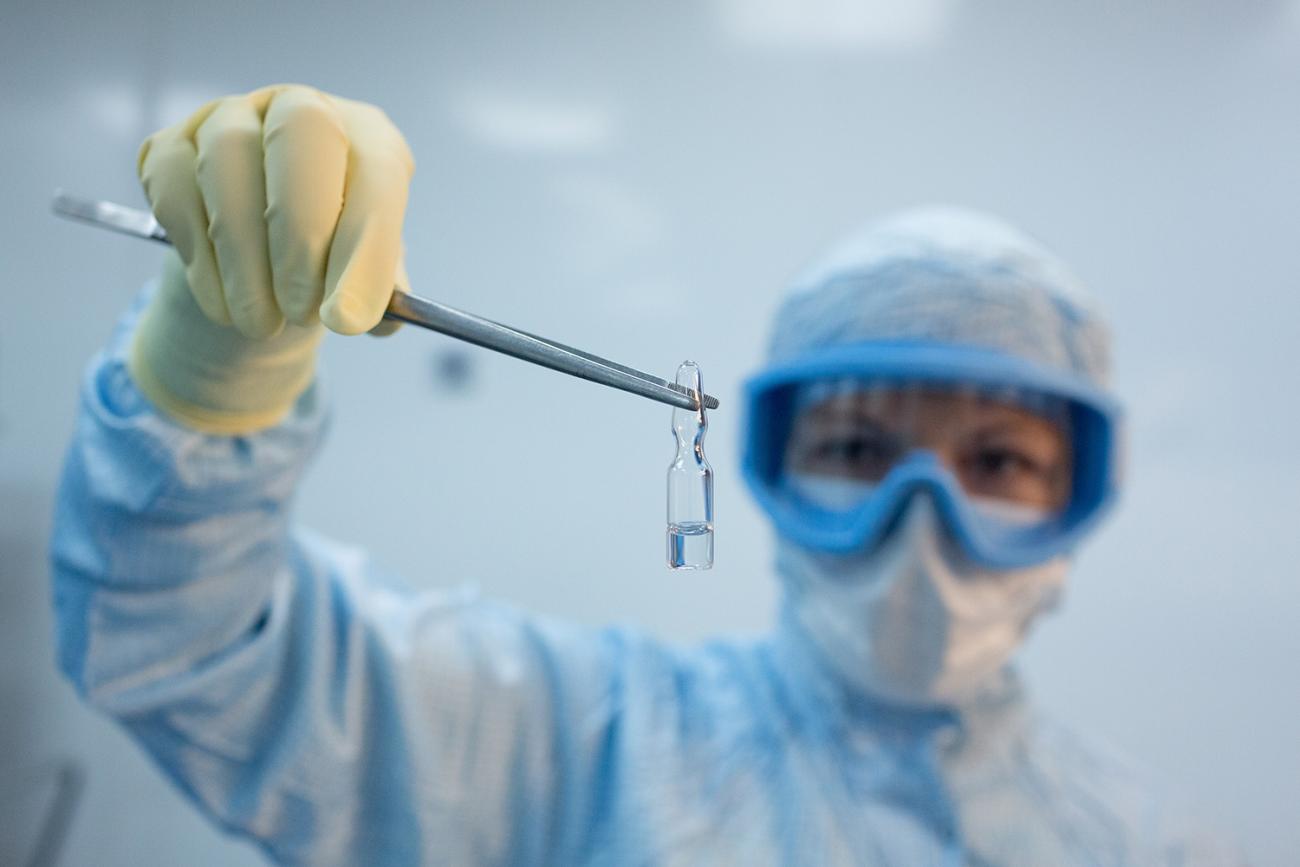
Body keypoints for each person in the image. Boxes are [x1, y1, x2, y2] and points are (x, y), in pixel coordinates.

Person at [51, 84, 1238, 865]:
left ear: (1073, 499)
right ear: (769, 468)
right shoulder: (582, 740)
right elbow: (191, 656)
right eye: (858, 451)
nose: (915, 517)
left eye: (997, 462)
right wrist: (217, 371)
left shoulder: (1163, 847)